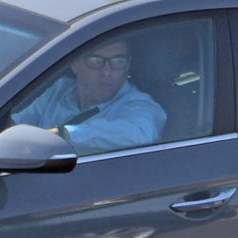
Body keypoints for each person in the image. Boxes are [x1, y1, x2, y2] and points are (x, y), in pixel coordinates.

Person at [12, 34, 165, 153]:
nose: (106, 72)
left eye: (118, 61)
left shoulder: (141, 105)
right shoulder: (61, 89)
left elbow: (140, 135)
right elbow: (17, 124)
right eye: (95, 60)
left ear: (128, 65)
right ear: (75, 64)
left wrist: (63, 135)